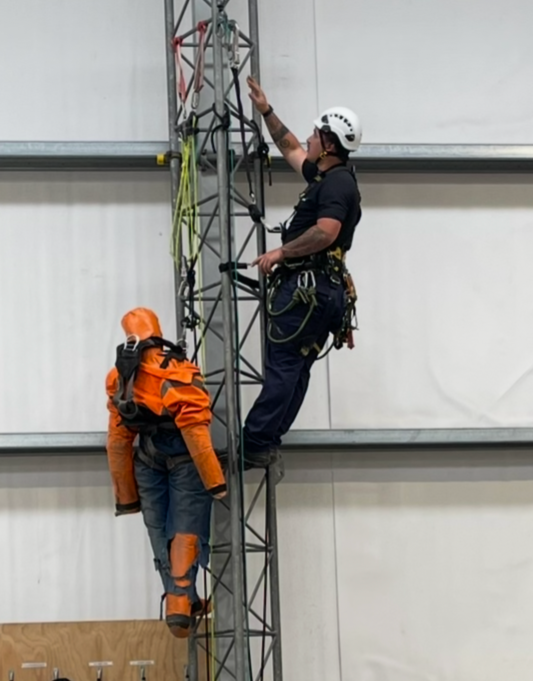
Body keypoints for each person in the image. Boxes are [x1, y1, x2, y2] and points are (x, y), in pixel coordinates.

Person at [242, 78, 363, 465]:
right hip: (320, 290)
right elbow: (289, 147)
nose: (309, 139)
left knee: (285, 365)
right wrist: (265, 110)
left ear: (329, 144)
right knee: (295, 367)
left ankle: (254, 441)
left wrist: (280, 252)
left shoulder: (338, 184)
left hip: (307, 289)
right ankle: (266, 440)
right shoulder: (326, 177)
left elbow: (325, 232)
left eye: (316, 134)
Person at [106, 306, 226, 637]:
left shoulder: (120, 377)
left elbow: (117, 441)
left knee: (159, 532)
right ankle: (178, 602)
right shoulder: (176, 371)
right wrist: (215, 482)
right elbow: (196, 433)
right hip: (185, 459)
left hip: (147, 459)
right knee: (185, 528)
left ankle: (184, 600)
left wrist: (126, 498)